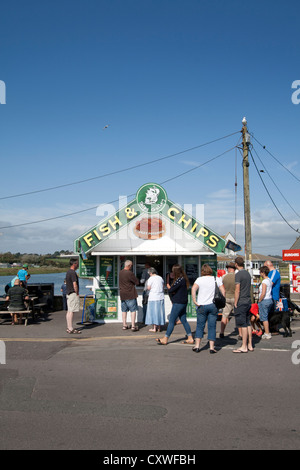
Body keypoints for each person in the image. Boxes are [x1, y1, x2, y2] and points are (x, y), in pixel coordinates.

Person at [191, 264, 225, 354]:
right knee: (212, 326)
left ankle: (197, 346)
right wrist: (222, 300)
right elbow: (223, 291)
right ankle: (211, 347)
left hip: (201, 305)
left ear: (202, 271)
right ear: (210, 270)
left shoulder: (199, 279)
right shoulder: (216, 279)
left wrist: (194, 300)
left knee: (200, 326)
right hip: (213, 305)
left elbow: (193, 289)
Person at [156, 264, 193, 345]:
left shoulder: (179, 280)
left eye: (173, 271)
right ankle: (190, 337)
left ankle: (165, 338)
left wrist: (169, 286)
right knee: (183, 320)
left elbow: (171, 290)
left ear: (175, 271)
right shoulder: (182, 279)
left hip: (178, 302)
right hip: (183, 302)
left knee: (172, 321)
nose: (172, 273)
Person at [233, 256, 253, 353]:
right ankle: (250, 344)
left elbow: (237, 289)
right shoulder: (248, 274)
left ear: (236, 264)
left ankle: (244, 346)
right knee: (248, 323)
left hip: (241, 301)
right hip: (248, 300)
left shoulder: (238, 275)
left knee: (243, 324)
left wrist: (236, 302)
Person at [119, 260, 139, 331]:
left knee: (124, 310)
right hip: (130, 294)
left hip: (122, 294)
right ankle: (133, 326)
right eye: (131, 265)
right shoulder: (130, 273)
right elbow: (137, 282)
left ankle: (124, 325)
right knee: (133, 310)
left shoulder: (120, 273)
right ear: (129, 265)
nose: (132, 267)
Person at [145, 267, 165, 332]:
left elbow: (148, 288)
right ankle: (159, 327)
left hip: (153, 297)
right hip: (161, 297)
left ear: (150, 273)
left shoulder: (150, 279)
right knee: (159, 312)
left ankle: (154, 328)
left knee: (153, 312)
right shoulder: (160, 278)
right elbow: (163, 286)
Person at [220, 262, 236, 338]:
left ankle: (222, 332)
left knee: (224, 315)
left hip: (226, 297)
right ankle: (240, 334)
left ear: (229, 268)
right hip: (235, 298)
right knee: (238, 316)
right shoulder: (237, 277)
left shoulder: (224, 277)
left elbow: (220, 286)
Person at [65, 258, 81, 334]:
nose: (78, 265)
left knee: (69, 311)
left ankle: (69, 327)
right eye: (77, 263)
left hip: (68, 293)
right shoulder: (73, 273)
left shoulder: (68, 272)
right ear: (74, 264)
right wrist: (77, 292)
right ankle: (71, 328)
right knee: (71, 311)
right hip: (72, 293)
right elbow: (75, 284)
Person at [258, 266, 273, 339]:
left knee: (264, 317)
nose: (260, 273)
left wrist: (259, 300)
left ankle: (267, 333)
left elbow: (263, 293)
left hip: (264, 300)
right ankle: (268, 331)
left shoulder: (264, 282)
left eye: (260, 272)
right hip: (270, 299)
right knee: (267, 316)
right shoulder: (269, 280)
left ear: (263, 273)